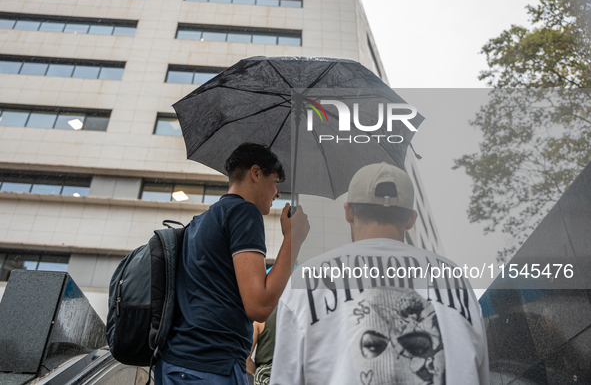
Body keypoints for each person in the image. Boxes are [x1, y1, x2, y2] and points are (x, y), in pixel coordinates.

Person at [270, 163, 489, 385]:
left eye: (416, 346)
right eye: (374, 346)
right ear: (411, 219)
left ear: (348, 212)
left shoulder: (307, 279)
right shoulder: (455, 279)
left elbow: (284, 378)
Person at [156, 143, 310, 385]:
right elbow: (259, 305)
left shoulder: (201, 220)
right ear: (256, 173)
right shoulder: (244, 213)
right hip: (211, 367)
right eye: (276, 181)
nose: (278, 192)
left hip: (177, 365)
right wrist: (294, 239)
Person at [246, 307, 277, 385]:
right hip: (291, 376)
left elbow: (246, 359)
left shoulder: (260, 320)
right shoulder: (298, 317)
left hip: (264, 378)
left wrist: (258, 371)